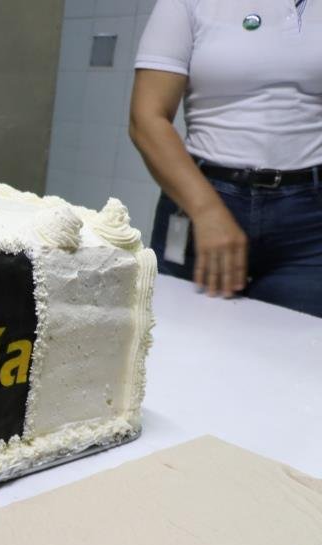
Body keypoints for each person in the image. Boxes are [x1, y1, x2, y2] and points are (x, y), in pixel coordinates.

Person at [130, 0, 322, 317]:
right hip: (202, 200)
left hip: (310, 224)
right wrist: (206, 211)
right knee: (180, 336)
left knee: (297, 344)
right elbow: (146, 119)